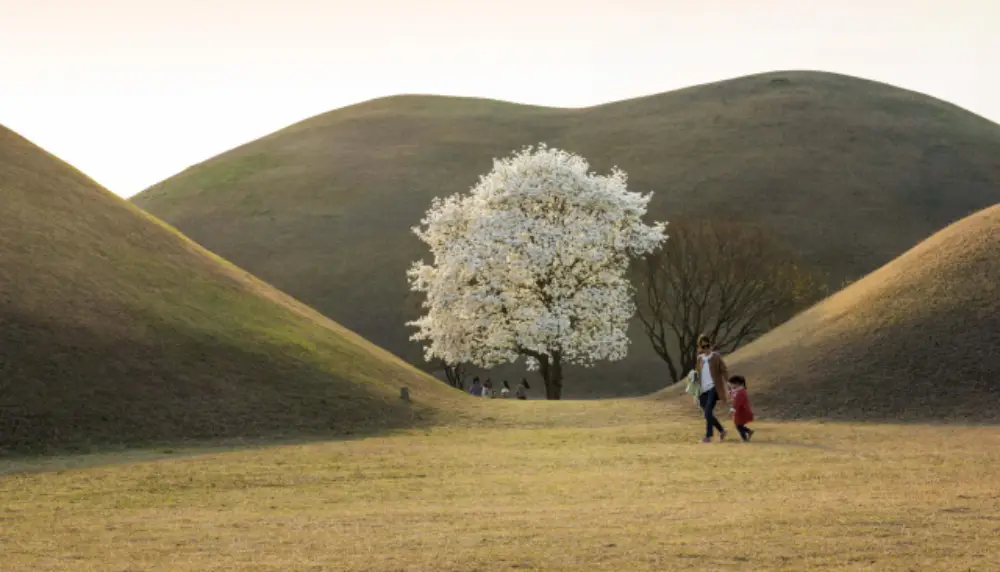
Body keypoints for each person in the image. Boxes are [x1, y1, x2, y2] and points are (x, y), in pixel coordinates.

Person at [695, 334, 729, 443]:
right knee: (707, 413)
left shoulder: (716, 357)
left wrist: (727, 381)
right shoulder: (699, 359)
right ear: (700, 347)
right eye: (703, 346)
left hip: (714, 388)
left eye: (707, 346)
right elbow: (697, 373)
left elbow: (724, 370)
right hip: (702, 390)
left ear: (710, 345)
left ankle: (708, 436)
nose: (706, 349)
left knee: (708, 412)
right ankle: (722, 431)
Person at [728, 375, 755, 441]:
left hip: (742, 412)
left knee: (738, 425)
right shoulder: (740, 391)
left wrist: (732, 410)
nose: (731, 385)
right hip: (741, 411)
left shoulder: (740, 393)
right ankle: (748, 432)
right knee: (739, 425)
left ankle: (745, 437)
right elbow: (734, 395)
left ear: (737, 383)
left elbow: (737, 402)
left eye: (732, 383)